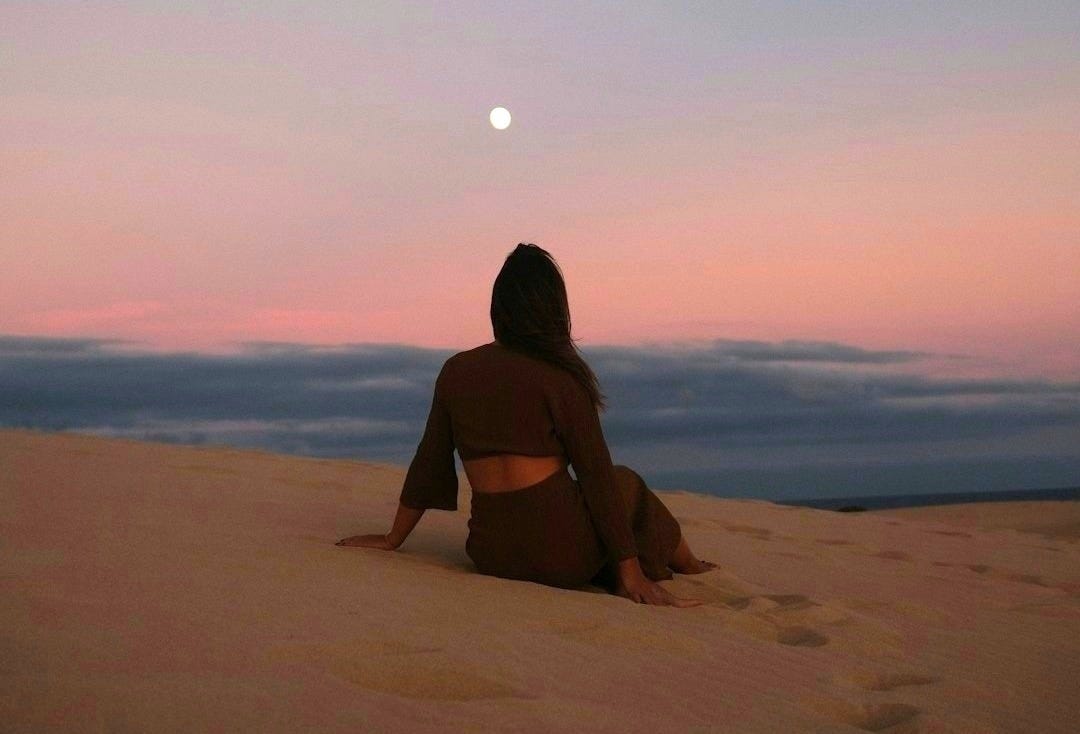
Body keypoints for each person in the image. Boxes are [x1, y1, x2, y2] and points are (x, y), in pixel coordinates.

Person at [337, 243, 715, 606]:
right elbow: (597, 476)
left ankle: (661, 563)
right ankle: (688, 563)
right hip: (563, 558)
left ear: (499, 307)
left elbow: (429, 462)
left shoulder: (456, 371)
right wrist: (630, 574)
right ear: (554, 308)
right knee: (626, 483)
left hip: (490, 555)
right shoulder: (560, 377)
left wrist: (393, 537)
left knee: (605, 498)